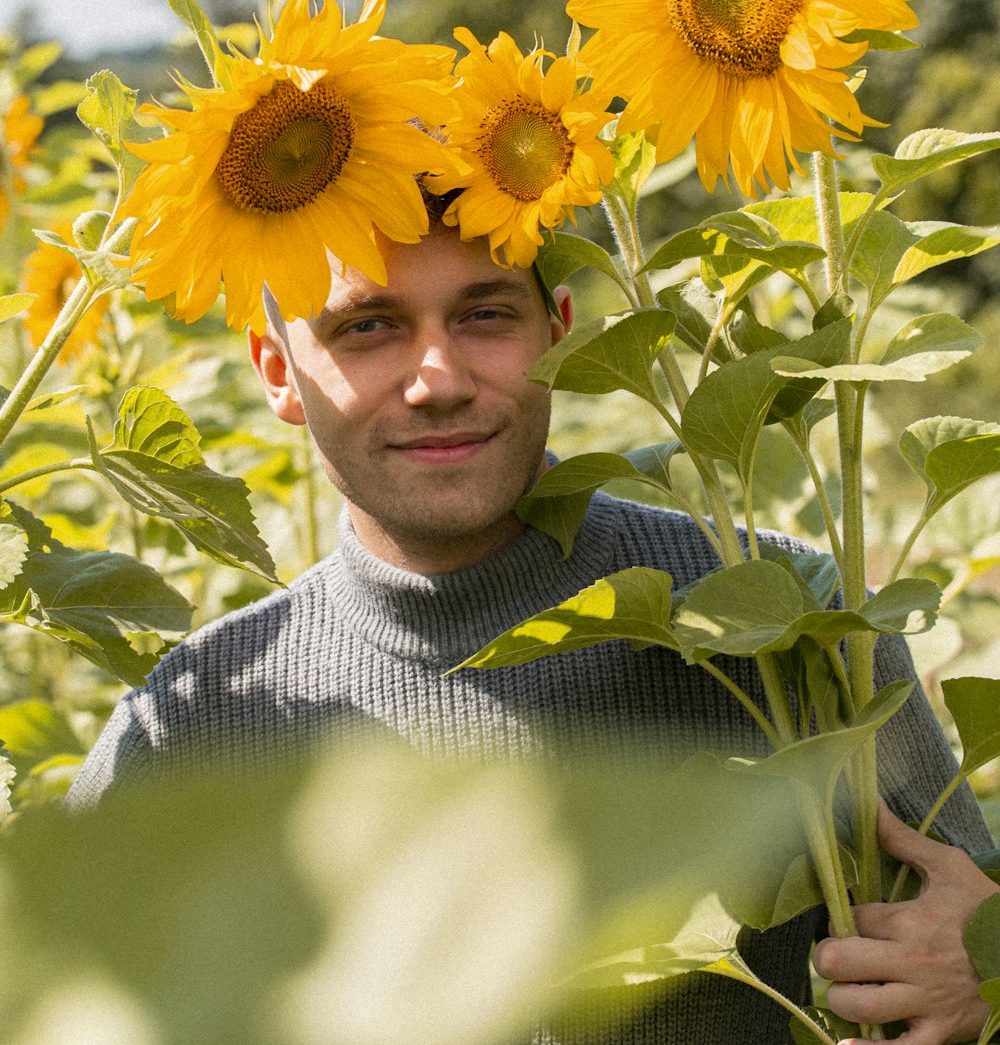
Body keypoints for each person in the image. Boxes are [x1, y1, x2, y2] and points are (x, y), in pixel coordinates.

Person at [67, 214, 997, 1045]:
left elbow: (961, 899)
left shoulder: (776, 604)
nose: (437, 379)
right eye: (368, 327)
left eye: (483, 316)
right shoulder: (196, 719)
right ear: (279, 371)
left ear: (559, 330)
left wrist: (981, 970)